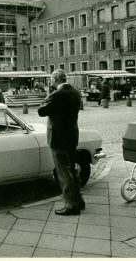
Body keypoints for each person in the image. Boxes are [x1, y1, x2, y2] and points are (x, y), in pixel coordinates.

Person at [38, 69, 85, 215]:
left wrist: (49, 93)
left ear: (55, 79)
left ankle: (71, 205)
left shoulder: (57, 94)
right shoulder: (76, 92)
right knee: (72, 169)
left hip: (58, 138)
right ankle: (79, 200)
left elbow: (41, 110)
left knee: (63, 173)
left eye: (51, 80)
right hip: (71, 136)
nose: (50, 82)